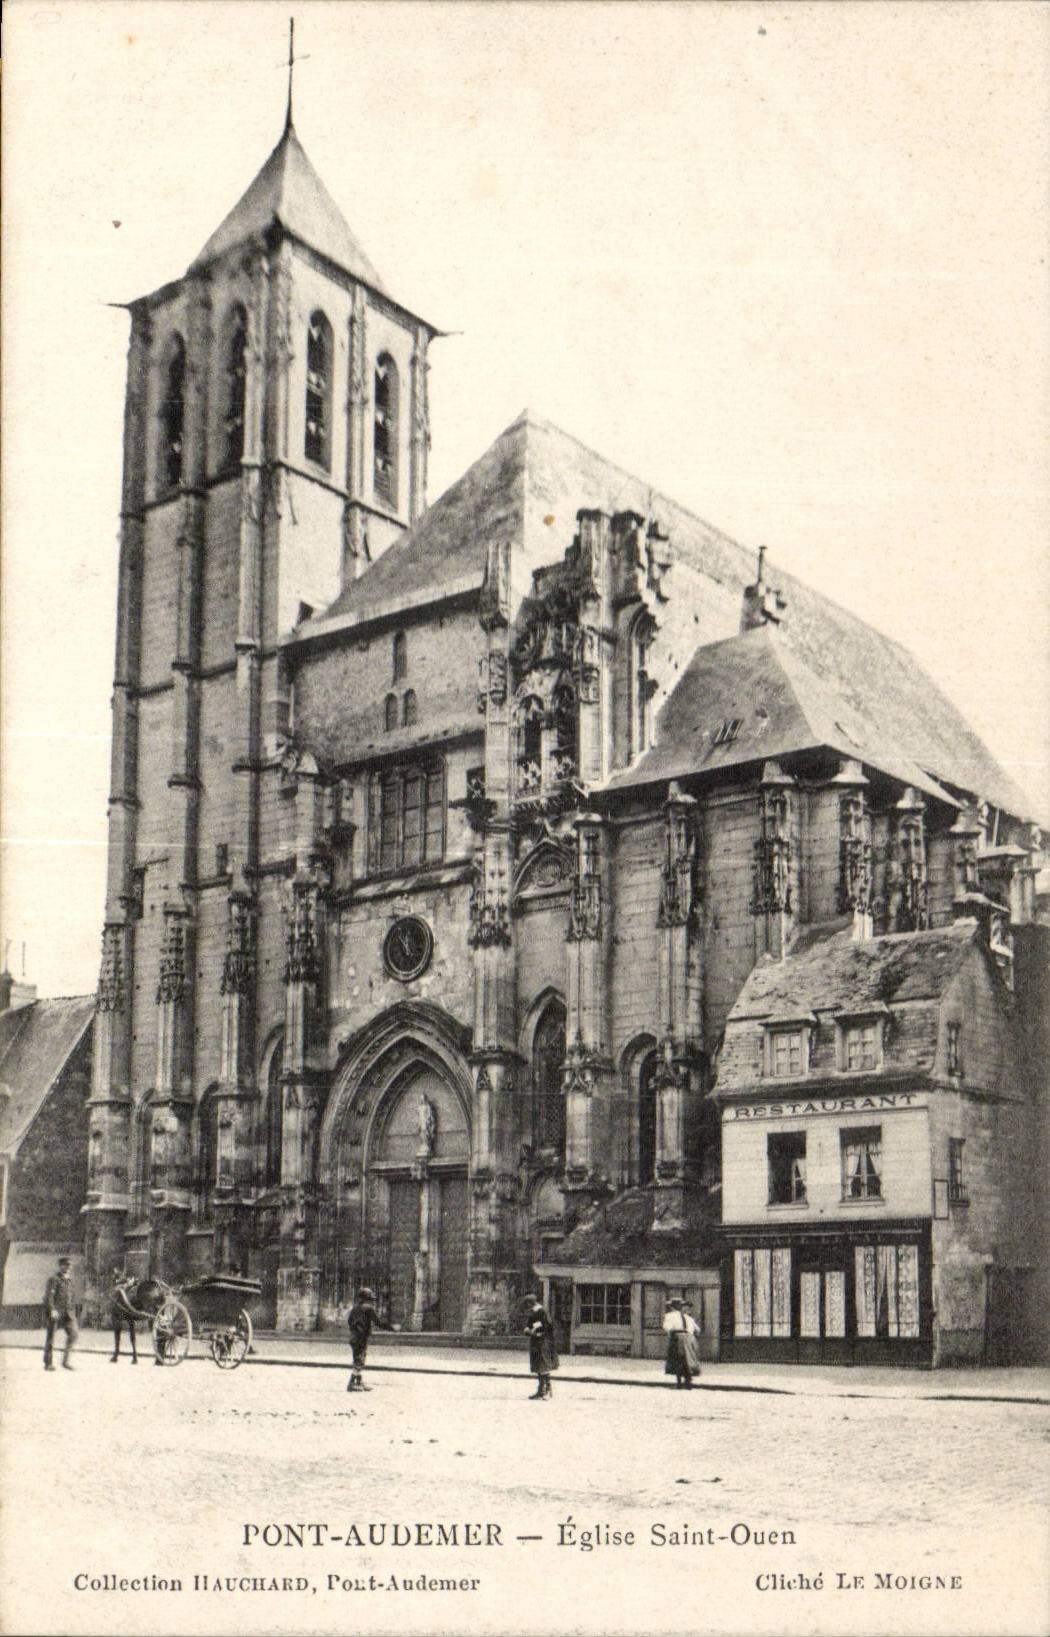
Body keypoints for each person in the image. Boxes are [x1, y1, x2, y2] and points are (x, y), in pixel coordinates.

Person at [42, 1256, 78, 1372]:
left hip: (68, 1314)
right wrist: (52, 1309)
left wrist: (73, 1311)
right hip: (56, 1313)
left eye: (69, 1266)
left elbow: (72, 1298)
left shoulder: (70, 1281)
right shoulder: (54, 1279)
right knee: (51, 1338)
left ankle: (65, 1361)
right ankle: (48, 1363)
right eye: (65, 1265)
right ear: (60, 1266)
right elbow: (49, 1296)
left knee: (74, 1334)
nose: (68, 1268)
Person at [346, 1287, 385, 1392]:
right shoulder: (368, 1308)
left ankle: (358, 1382)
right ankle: (352, 1384)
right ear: (367, 1299)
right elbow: (378, 1322)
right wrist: (392, 1328)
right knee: (359, 1360)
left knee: (358, 1358)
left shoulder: (355, 1308)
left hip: (354, 1336)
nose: (372, 1301)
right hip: (361, 1337)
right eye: (370, 1299)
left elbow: (349, 1322)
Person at [524, 1296, 558, 1400]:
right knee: (538, 1366)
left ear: (532, 1303)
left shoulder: (542, 1312)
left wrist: (537, 1333)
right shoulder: (533, 1313)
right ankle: (541, 1390)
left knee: (543, 1365)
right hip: (536, 1342)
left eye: (528, 1304)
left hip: (543, 1342)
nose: (527, 1307)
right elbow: (529, 1325)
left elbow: (547, 1327)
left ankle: (546, 1390)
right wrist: (528, 1330)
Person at [662, 1297, 701, 1389]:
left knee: (678, 1360)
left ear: (672, 1307)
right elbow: (697, 1330)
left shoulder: (669, 1316)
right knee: (689, 1360)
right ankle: (688, 1382)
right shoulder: (688, 1318)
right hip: (690, 1338)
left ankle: (679, 1383)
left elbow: (667, 1327)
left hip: (677, 1338)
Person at [109, 1269, 139, 1363]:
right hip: (130, 1310)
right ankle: (134, 1356)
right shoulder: (128, 1287)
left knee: (117, 1330)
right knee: (131, 1328)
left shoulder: (118, 1290)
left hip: (122, 1310)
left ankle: (116, 1354)